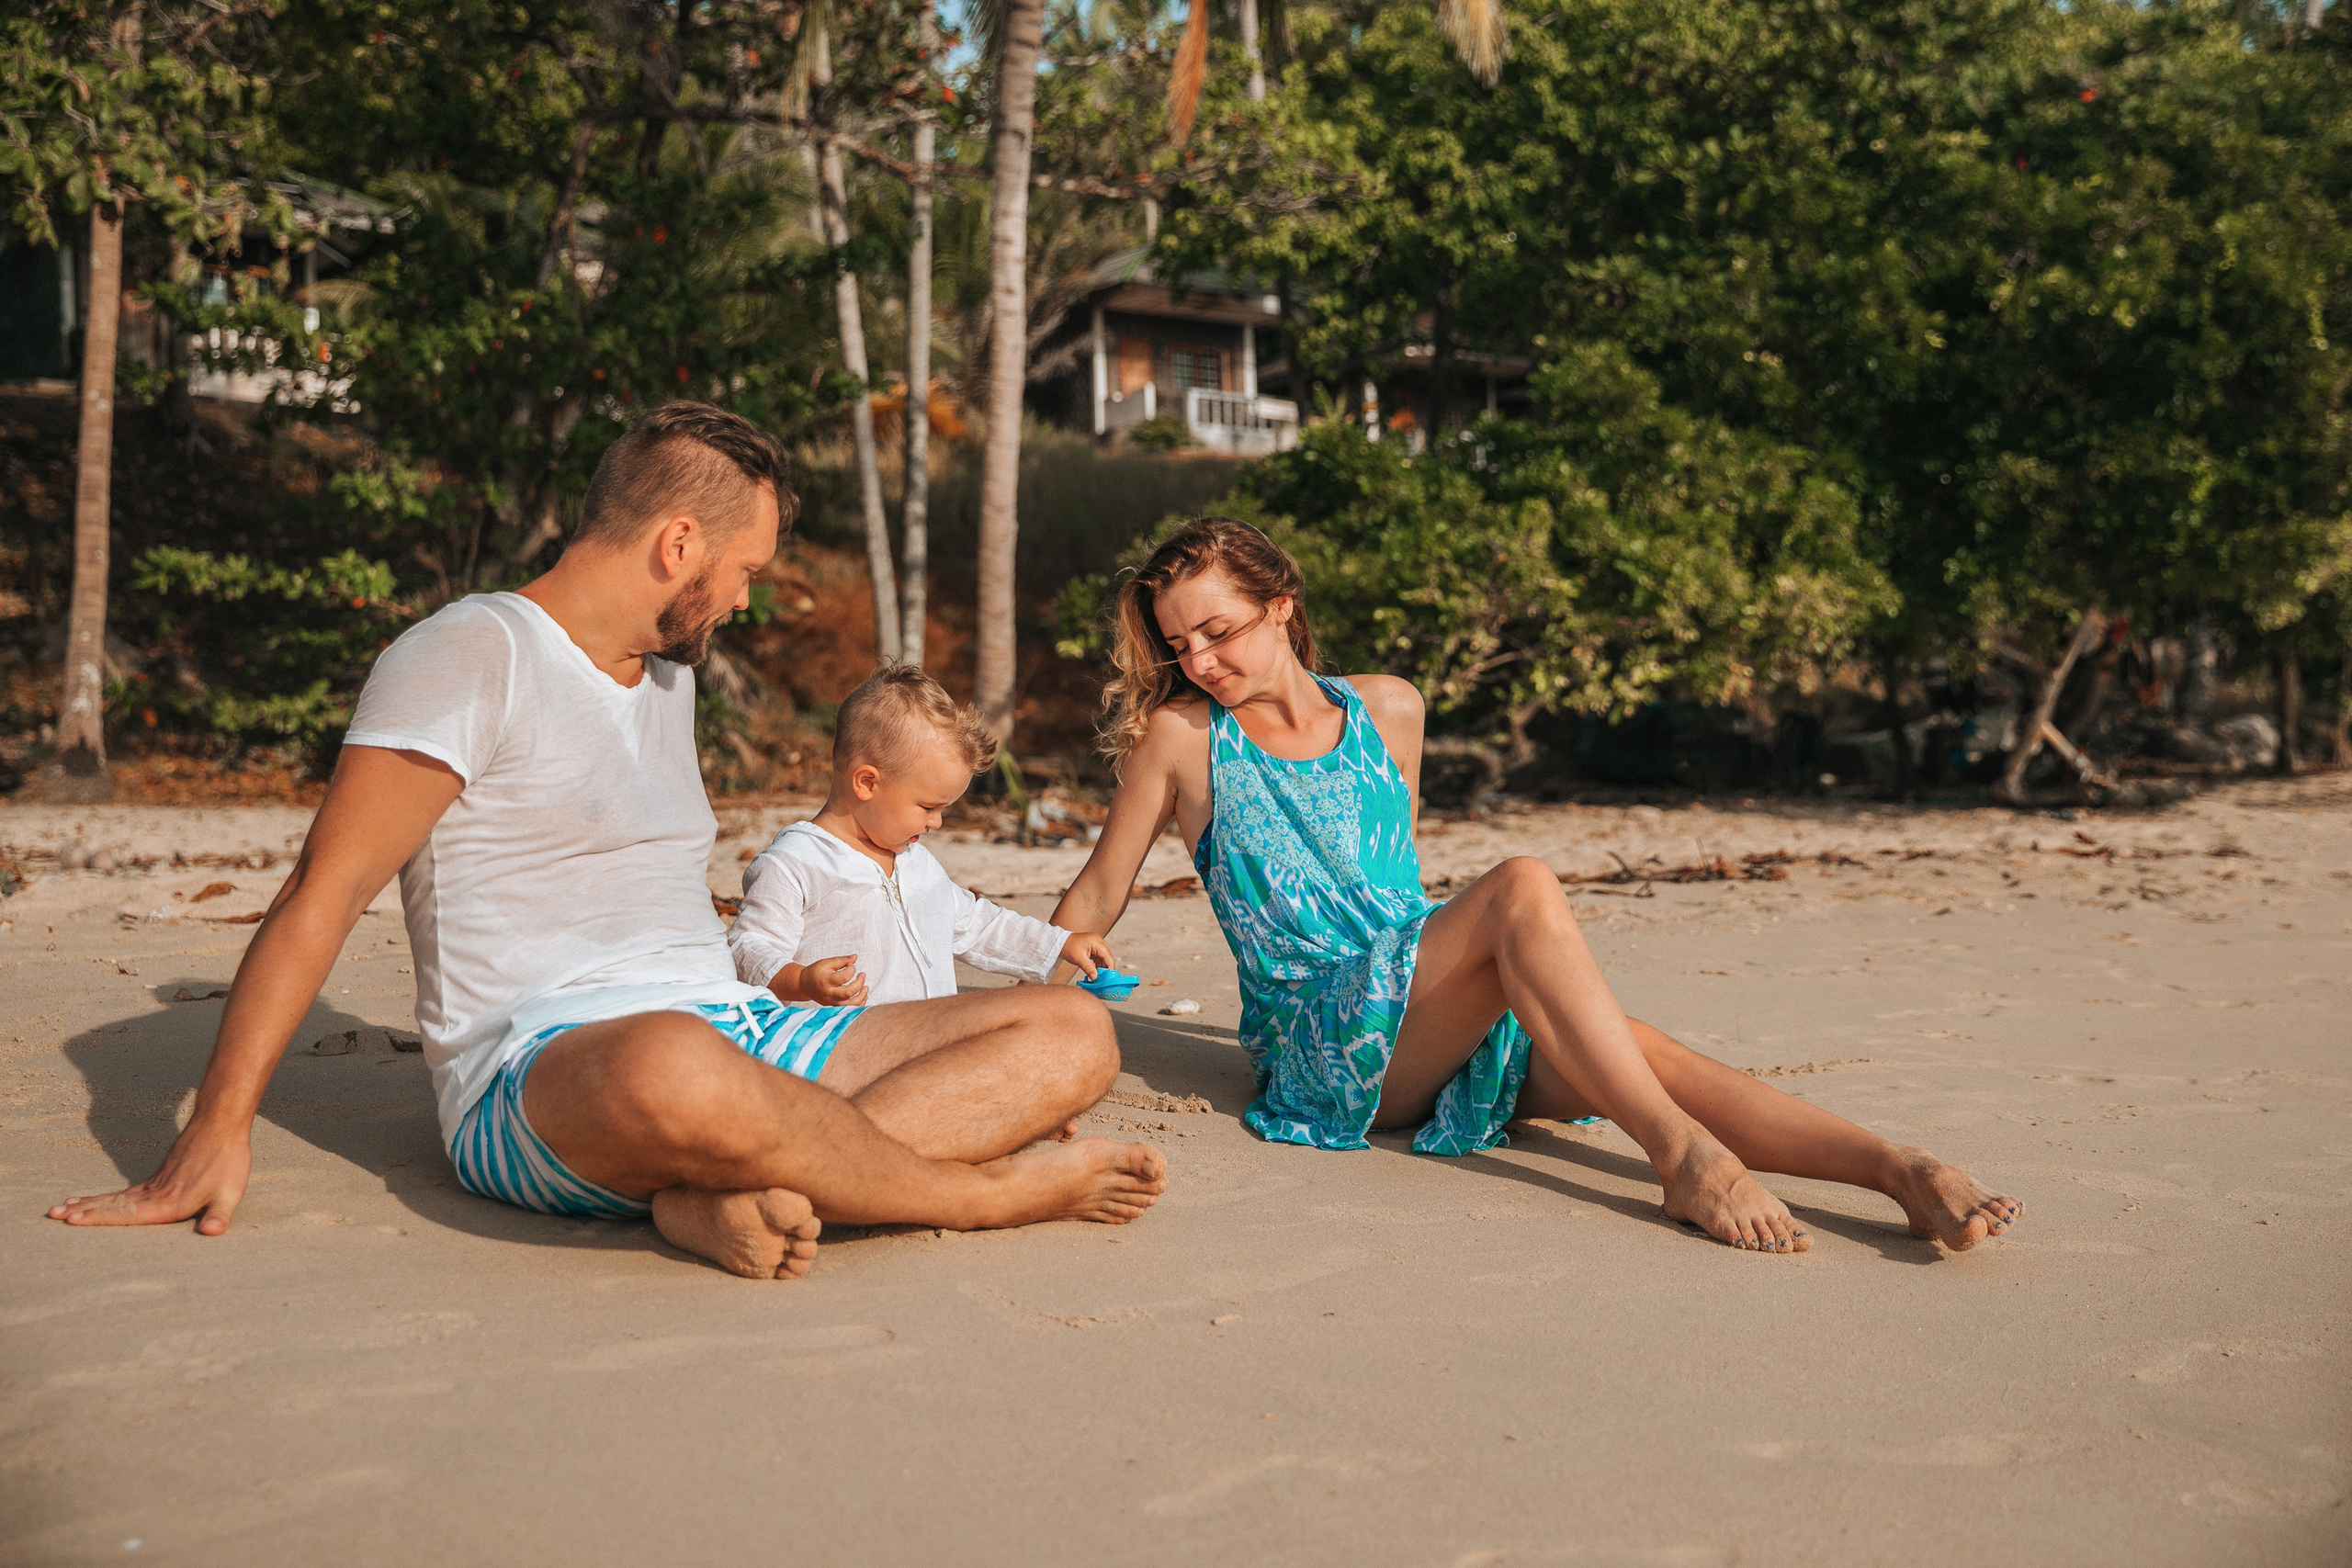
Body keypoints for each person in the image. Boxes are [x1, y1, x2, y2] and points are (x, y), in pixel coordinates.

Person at [46, 402, 1165, 1279]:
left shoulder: (666, 682)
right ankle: (978, 1193)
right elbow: (321, 897)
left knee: (1069, 1032)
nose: (744, 596)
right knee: (665, 1063)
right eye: (745, 568)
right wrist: (216, 1127)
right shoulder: (470, 653)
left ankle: (709, 1196)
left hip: (741, 1036)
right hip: (544, 1071)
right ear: (680, 542)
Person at [1047, 518, 2022, 1255]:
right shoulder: (1181, 741)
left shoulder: (1388, 708)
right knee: (1520, 886)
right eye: (1179, 645)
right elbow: (1096, 895)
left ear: (1281, 606)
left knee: (1636, 1056)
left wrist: (1474, 984)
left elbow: (1392, 893)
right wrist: (1045, 991)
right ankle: (1679, 1160)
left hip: (1419, 1012)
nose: (1199, 662)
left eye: (1216, 631)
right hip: (1319, 1043)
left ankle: (1897, 1169)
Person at [731, 664, 1114, 1007]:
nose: (938, 823)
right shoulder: (794, 864)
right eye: (928, 807)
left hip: (924, 1038)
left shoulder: (919, 865)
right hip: (838, 1042)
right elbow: (749, 948)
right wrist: (801, 981)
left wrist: (1060, 943)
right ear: (867, 783)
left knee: (1067, 1016)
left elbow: (979, 925)